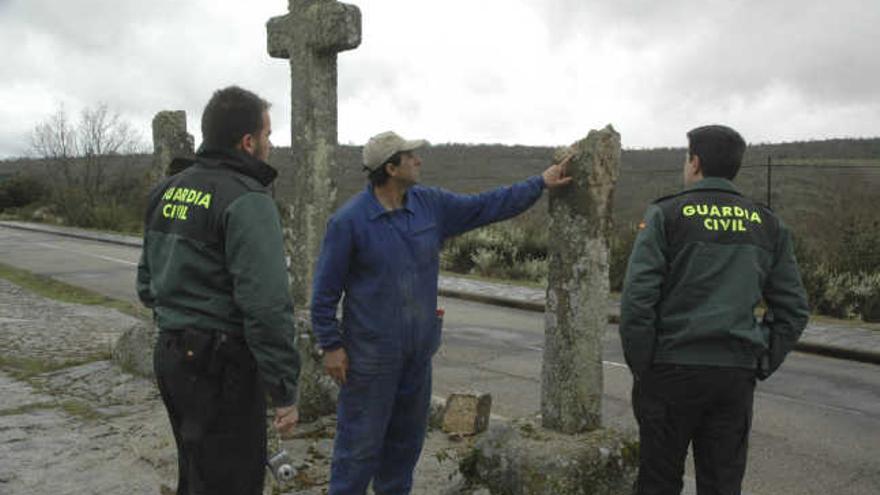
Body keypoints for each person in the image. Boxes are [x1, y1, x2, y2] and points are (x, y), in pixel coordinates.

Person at [310, 131, 572, 494]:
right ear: (390, 167)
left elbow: (487, 205)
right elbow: (324, 291)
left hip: (417, 355)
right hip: (371, 360)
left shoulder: (430, 205)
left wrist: (539, 183)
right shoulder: (349, 222)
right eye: (411, 156)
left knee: (404, 449)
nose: (419, 160)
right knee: (358, 451)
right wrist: (330, 345)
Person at [619, 124, 810, 495]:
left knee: (658, 482)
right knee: (723, 484)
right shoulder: (767, 224)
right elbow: (794, 309)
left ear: (695, 163)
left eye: (685, 156)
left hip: (670, 372)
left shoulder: (666, 214)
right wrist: (761, 359)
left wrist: (644, 366)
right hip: (734, 377)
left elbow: (637, 300)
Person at [136, 86, 301, 495]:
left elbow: (146, 284)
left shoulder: (166, 191)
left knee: (196, 475)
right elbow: (267, 306)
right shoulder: (247, 200)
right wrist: (284, 389)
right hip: (222, 364)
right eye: (267, 135)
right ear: (248, 142)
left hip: (173, 356)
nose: (270, 143)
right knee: (232, 482)